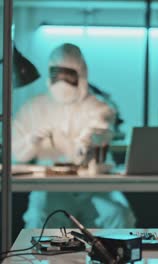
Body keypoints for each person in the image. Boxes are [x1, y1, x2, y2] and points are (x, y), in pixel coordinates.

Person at [12, 43, 136, 228]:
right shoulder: (32, 108)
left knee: (118, 215)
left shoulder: (98, 106)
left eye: (68, 75)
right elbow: (16, 156)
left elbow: (102, 127)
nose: (62, 82)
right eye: (57, 74)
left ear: (81, 74)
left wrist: (89, 140)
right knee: (39, 220)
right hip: (50, 188)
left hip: (95, 188)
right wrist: (31, 141)